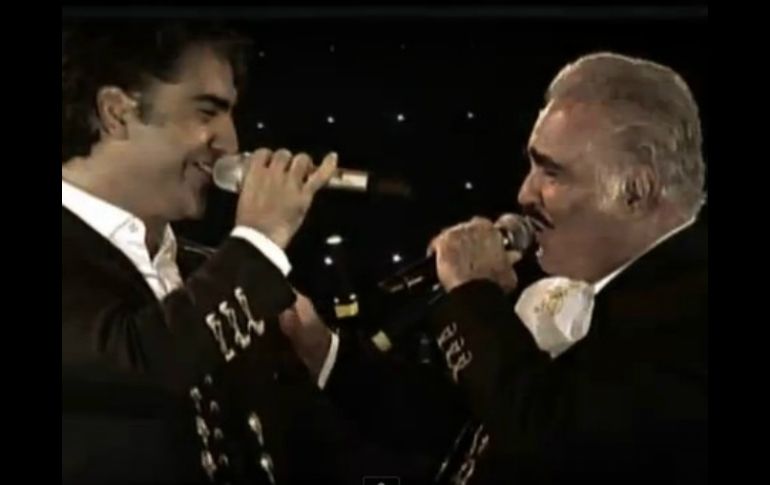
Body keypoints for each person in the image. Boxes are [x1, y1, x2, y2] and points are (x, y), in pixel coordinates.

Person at [281, 52, 707, 484]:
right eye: (531, 165)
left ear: (636, 191)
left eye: (552, 173)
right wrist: (324, 352)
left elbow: (553, 444)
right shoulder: (579, 288)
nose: (524, 193)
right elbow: (468, 418)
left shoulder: (691, 314)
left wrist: (472, 293)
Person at [61, 20, 339, 485]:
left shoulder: (208, 271)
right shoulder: (240, 272)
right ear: (116, 113)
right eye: (207, 111)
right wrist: (259, 241)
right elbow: (140, 367)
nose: (231, 143)